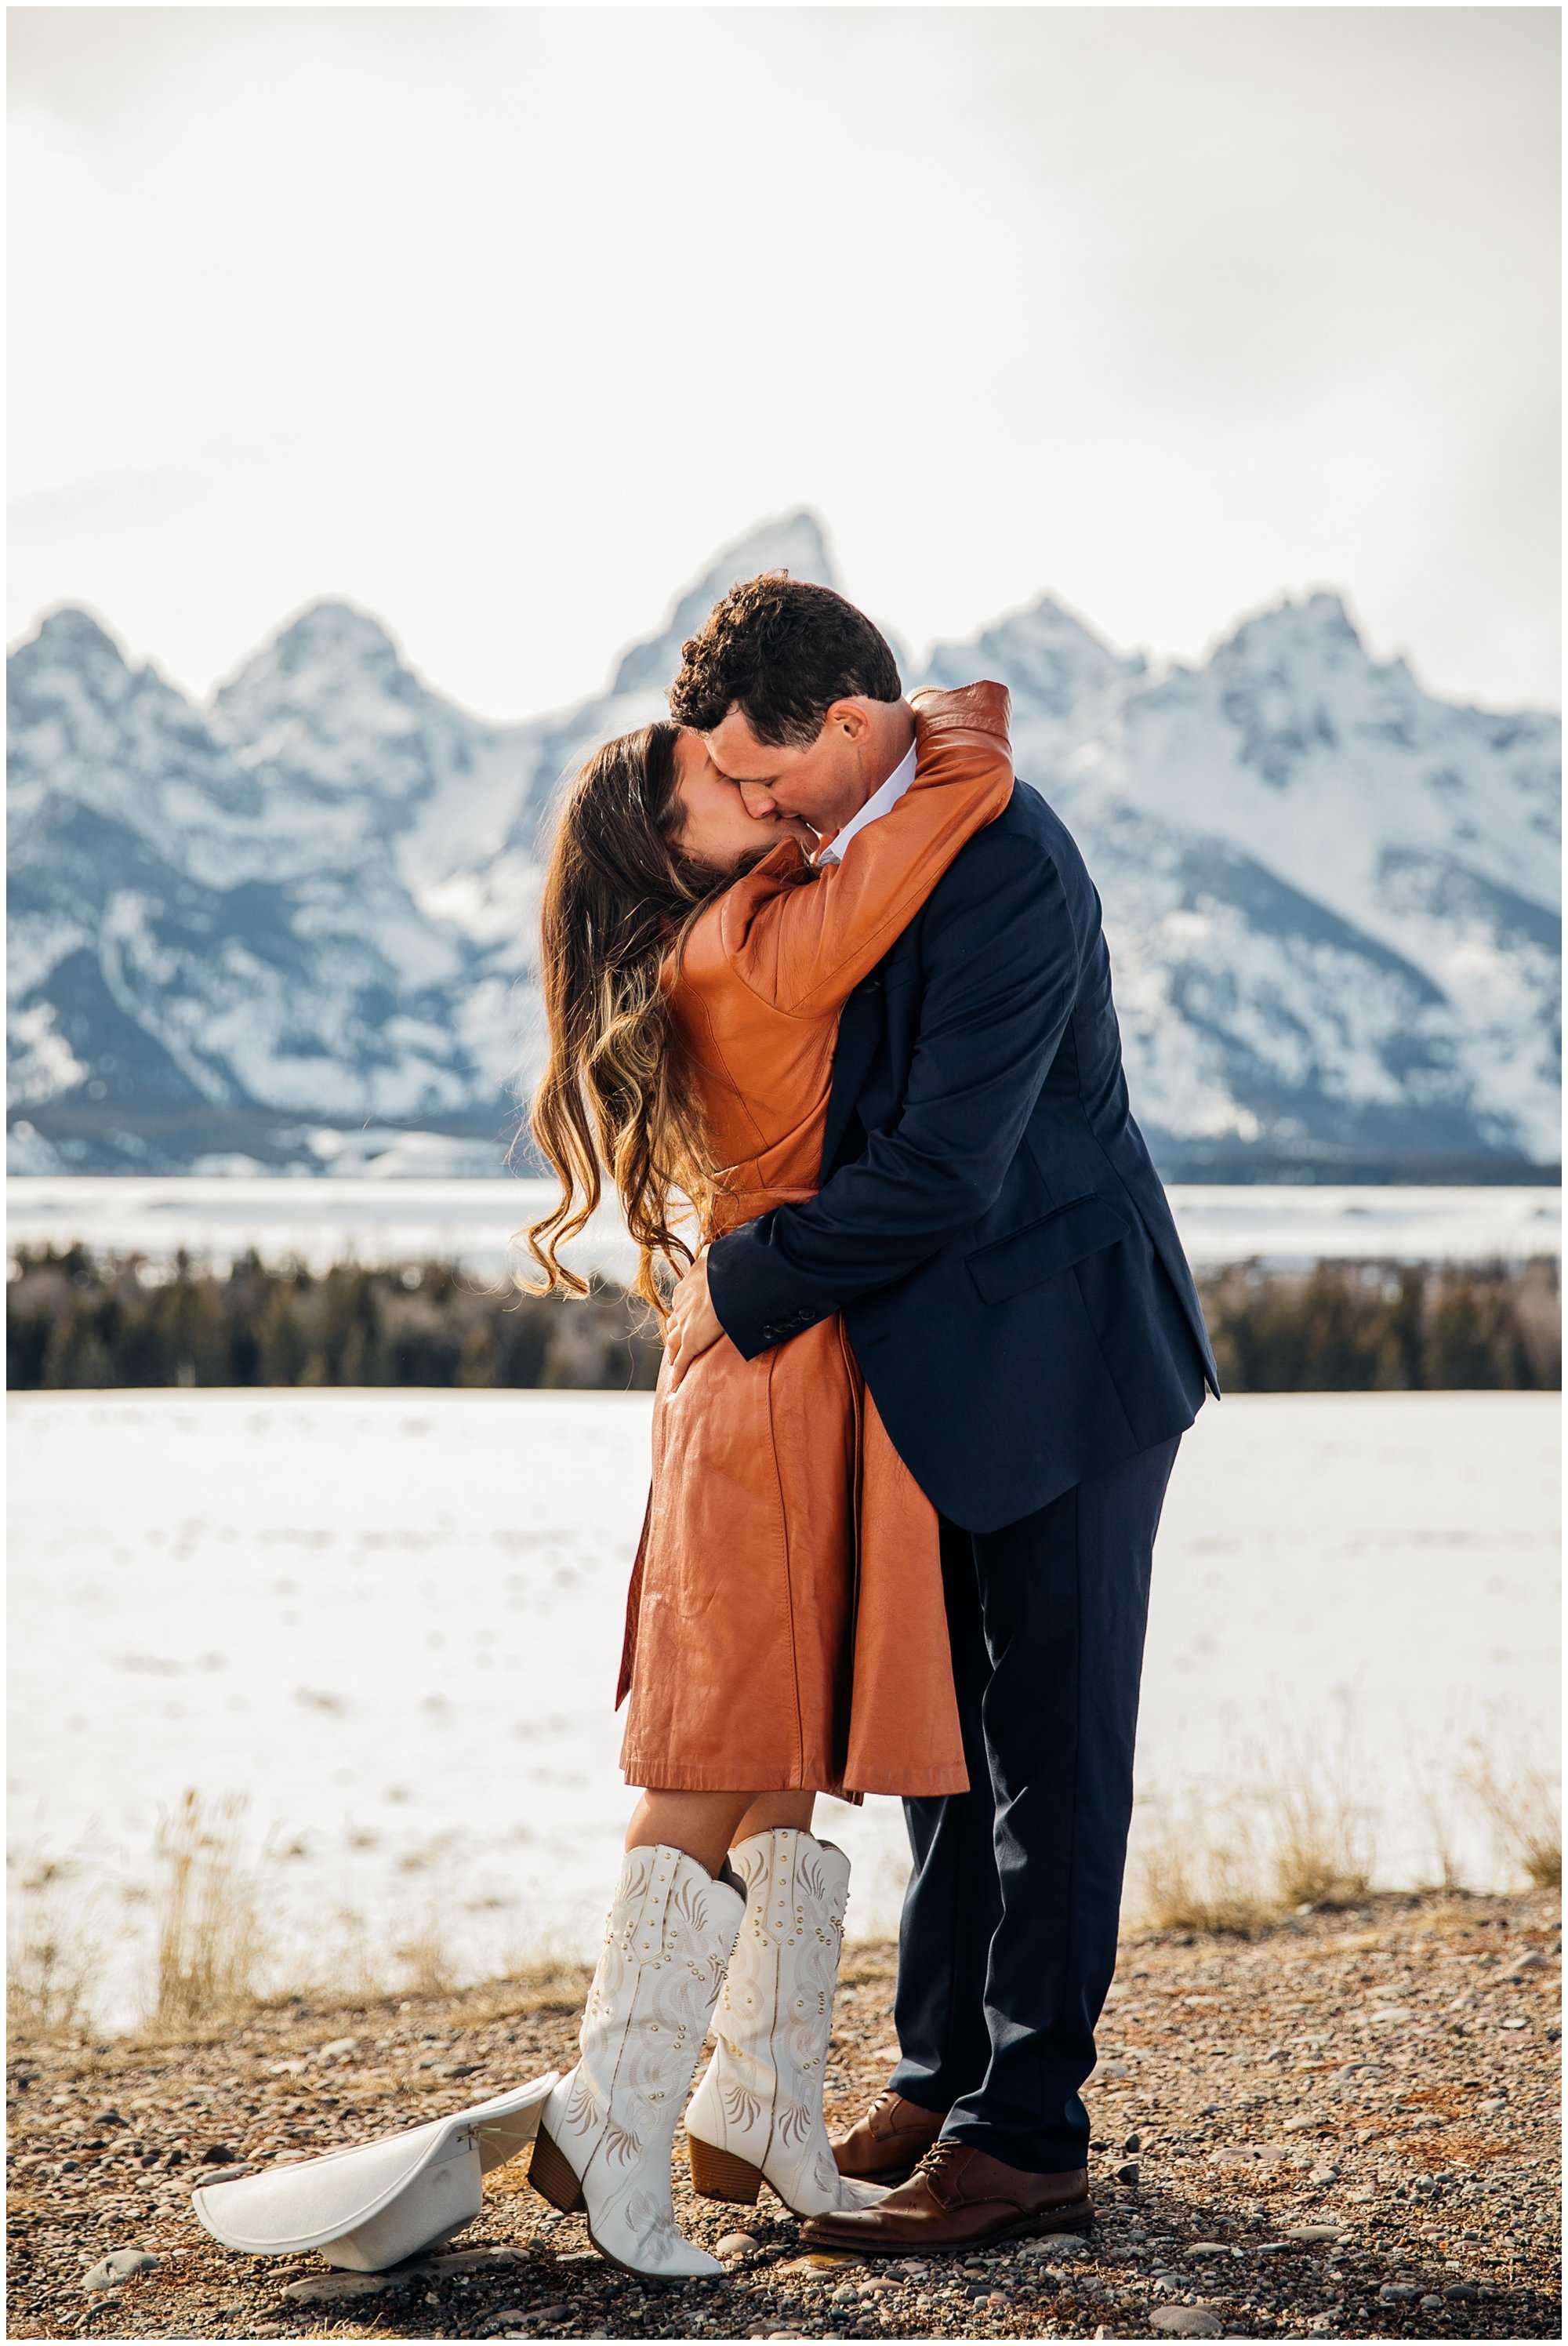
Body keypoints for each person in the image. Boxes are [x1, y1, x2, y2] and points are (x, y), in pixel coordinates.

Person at [664, 574, 1220, 2255]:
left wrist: (740, 1284)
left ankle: (1026, 2139)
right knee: (942, 1754)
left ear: (845, 725)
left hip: (1064, 1358)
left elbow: (937, 1171)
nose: (758, 818)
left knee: (1052, 1745)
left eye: (768, 782)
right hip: (927, 1361)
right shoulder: (857, 839)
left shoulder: (1008, 867)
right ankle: (939, 2067)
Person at [521, 672, 1015, 2276]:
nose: (759, 790)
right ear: (671, 855)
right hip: (764, 1370)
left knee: (789, 1741)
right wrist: (944, 718)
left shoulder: (738, 927)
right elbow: (945, 803)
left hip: (808, 1365)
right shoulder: (746, 942)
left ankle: (763, 2104)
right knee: (711, 1740)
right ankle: (611, 2112)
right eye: (718, 788)